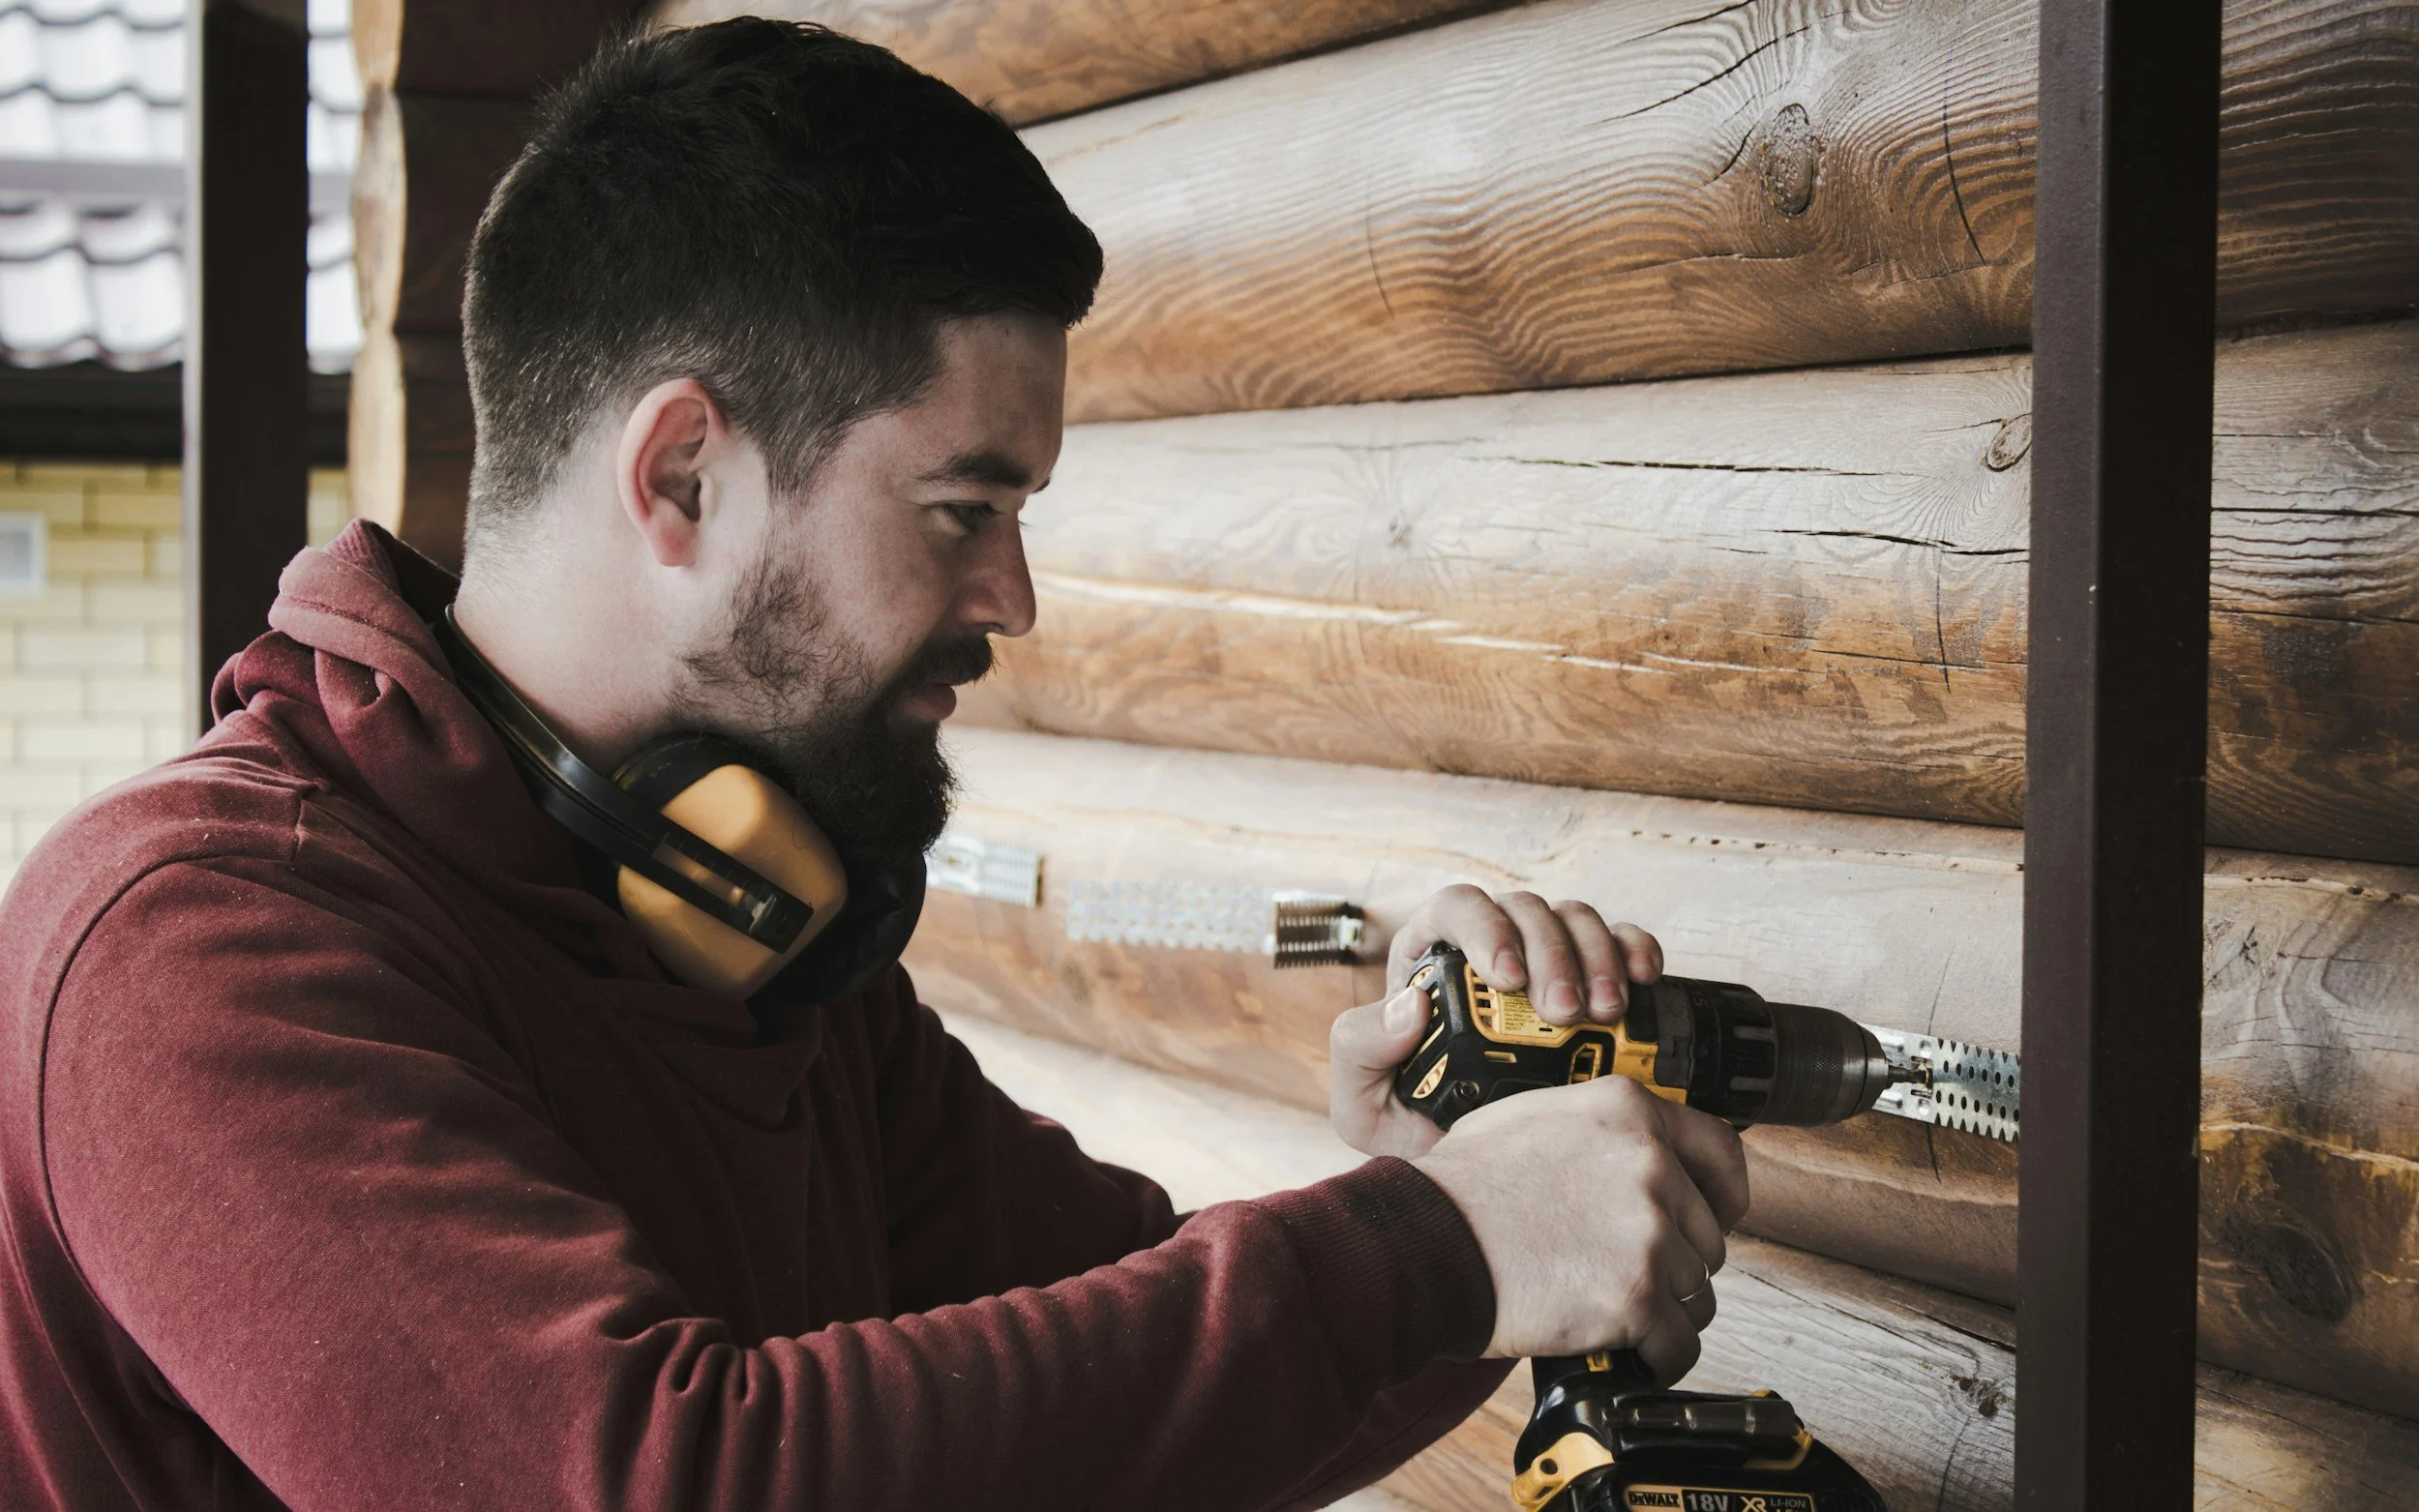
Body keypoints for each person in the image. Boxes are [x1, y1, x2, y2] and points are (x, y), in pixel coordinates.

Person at [0, 20, 1747, 1511]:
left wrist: (1438, 1197)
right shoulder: (192, 941)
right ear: (682, 475)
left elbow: (1140, 1400)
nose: (1013, 595)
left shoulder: (751, 931)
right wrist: (1430, 1249)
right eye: (960, 508)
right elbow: (653, 1474)